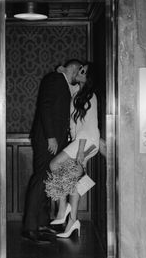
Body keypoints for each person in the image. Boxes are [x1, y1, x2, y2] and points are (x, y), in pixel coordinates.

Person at [22, 59, 83, 243]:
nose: (79, 75)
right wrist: (50, 136)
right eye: (79, 71)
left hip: (53, 141)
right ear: (73, 69)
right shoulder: (56, 78)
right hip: (47, 140)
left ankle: (40, 223)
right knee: (41, 178)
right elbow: (45, 106)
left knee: (47, 180)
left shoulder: (63, 83)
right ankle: (30, 227)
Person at [45, 62, 100, 238]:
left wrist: (82, 151)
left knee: (54, 165)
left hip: (87, 140)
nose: (79, 71)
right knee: (72, 177)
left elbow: (87, 126)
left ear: (88, 77)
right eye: (79, 69)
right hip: (82, 141)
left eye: (83, 71)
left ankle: (63, 208)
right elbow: (68, 80)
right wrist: (62, 71)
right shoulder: (77, 92)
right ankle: (72, 221)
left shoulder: (91, 96)